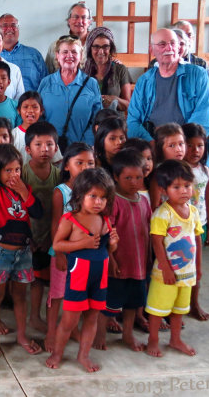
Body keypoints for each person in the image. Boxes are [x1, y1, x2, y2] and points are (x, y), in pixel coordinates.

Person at [47, 168, 118, 373]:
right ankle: (58, 353)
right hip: (78, 275)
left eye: (103, 198)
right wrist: (83, 243)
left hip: (100, 276)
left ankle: (83, 355)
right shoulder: (70, 219)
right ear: (79, 196)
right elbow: (58, 245)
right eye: (93, 196)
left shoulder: (104, 220)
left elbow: (107, 249)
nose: (98, 202)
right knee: (70, 320)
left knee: (92, 317)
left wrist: (113, 243)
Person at [0, 144, 43, 358]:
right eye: (8, 170)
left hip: (23, 253)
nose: (14, 175)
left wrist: (24, 191)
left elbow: (38, 212)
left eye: (17, 170)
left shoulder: (24, 190)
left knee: (20, 296)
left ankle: (22, 336)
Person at [93, 150, 151, 352]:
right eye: (128, 178)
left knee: (132, 304)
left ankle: (128, 335)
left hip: (138, 264)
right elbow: (107, 233)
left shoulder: (144, 201)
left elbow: (148, 232)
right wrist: (111, 259)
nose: (134, 182)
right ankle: (99, 333)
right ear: (116, 177)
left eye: (138, 177)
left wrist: (149, 259)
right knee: (107, 302)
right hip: (117, 263)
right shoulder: (113, 202)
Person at [145, 159, 203, 358]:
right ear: (163, 190)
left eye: (187, 186)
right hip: (165, 274)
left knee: (179, 309)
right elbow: (156, 243)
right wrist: (166, 268)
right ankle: (153, 339)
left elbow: (197, 240)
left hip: (187, 273)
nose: (183, 191)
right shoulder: (162, 214)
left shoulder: (193, 212)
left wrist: (198, 266)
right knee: (158, 309)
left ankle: (175, 339)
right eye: (176, 187)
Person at [45, 142, 95, 352]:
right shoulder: (62, 192)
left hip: (85, 254)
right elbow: (56, 223)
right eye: (79, 163)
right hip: (63, 252)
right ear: (67, 166)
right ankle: (50, 333)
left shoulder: (94, 192)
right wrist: (60, 252)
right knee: (58, 295)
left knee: (76, 295)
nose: (85, 167)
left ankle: (71, 328)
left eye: (90, 163)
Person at [127, 29, 209, 142]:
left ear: (178, 48)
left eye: (173, 43)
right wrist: (152, 144)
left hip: (187, 145)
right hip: (152, 145)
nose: (169, 48)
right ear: (152, 50)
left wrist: (176, 143)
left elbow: (203, 120)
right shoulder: (144, 81)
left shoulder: (198, 75)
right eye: (162, 44)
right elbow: (132, 122)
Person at [20, 121, 61, 332]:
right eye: (38, 145)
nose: (45, 149)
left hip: (51, 237)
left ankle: (44, 317)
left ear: (56, 147)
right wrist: (30, 238)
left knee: (47, 280)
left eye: (49, 144)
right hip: (28, 238)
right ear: (28, 149)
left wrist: (51, 239)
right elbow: (19, 208)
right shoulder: (23, 174)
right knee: (29, 281)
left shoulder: (58, 175)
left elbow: (60, 210)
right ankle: (32, 317)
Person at [39, 35, 102, 148]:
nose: (69, 56)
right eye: (65, 52)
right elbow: (38, 116)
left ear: (81, 56)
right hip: (50, 150)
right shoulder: (46, 83)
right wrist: (47, 143)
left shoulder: (91, 84)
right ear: (57, 55)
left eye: (74, 52)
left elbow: (96, 119)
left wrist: (84, 145)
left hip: (82, 151)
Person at [182, 122, 209, 322]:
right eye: (190, 145)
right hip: (179, 226)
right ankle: (174, 305)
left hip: (198, 225)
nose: (195, 151)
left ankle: (194, 303)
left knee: (196, 269)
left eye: (200, 146)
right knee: (178, 266)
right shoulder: (176, 170)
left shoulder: (207, 172)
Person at [82, 27, 133, 113]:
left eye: (105, 47)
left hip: (114, 122)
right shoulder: (82, 71)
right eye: (96, 47)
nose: (101, 52)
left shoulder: (120, 69)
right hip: (89, 122)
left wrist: (115, 100)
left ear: (110, 48)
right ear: (90, 49)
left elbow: (129, 105)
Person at [0, 13, 48, 91]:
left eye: (14, 25)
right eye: (5, 25)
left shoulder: (34, 55)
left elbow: (46, 86)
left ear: (18, 28)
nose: (10, 28)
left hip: (30, 103)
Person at [46, 2, 94, 74]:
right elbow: (48, 74)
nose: (80, 21)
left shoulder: (97, 47)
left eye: (84, 17)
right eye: (76, 17)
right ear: (69, 21)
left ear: (89, 22)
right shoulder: (55, 46)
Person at [149, 123, 187, 208]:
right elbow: (154, 205)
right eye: (172, 145)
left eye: (181, 144)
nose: (178, 149)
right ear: (160, 148)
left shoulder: (186, 167)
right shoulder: (159, 173)